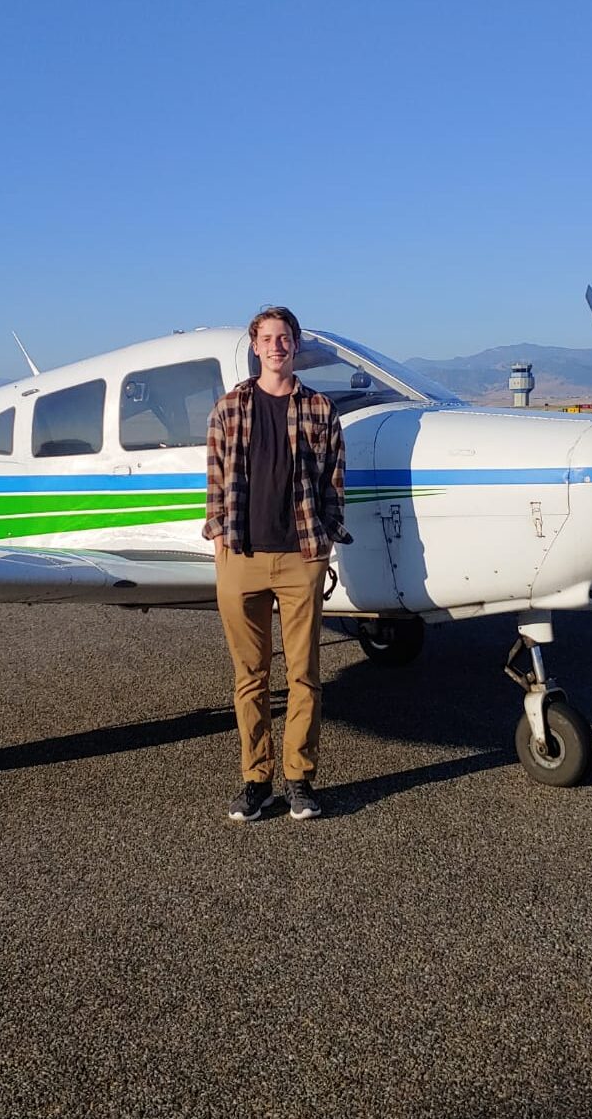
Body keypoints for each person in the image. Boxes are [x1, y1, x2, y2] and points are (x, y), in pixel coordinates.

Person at [204, 305, 352, 821]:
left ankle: (299, 779)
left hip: (300, 557)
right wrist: (219, 534)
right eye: (268, 338)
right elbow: (216, 479)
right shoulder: (229, 407)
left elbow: (335, 478)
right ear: (255, 345)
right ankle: (255, 779)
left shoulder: (319, 409)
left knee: (305, 673)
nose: (277, 346)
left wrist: (327, 539)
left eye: (285, 338)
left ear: (295, 345)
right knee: (250, 677)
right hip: (240, 556)